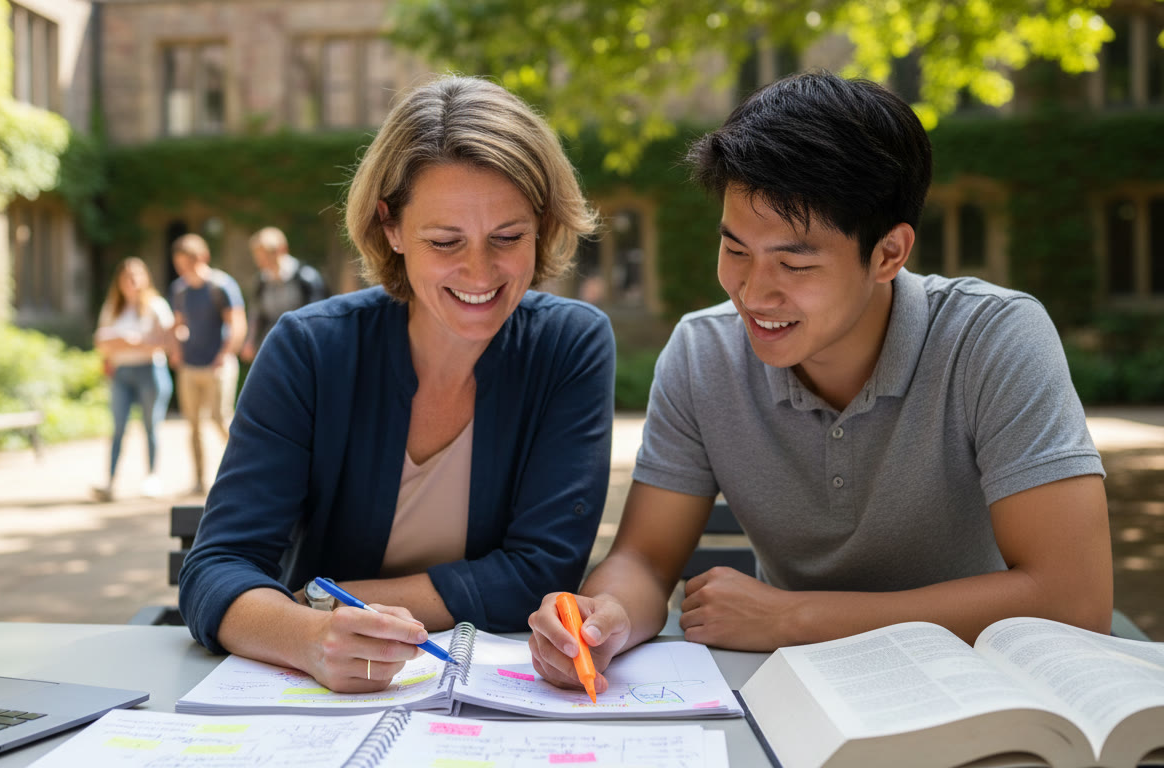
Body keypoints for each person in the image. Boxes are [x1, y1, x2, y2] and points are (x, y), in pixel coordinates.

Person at [528, 71, 1112, 695]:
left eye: (795, 262)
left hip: (984, 691)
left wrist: (795, 617)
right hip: (799, 695)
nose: (753, 293)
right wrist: (605, 618)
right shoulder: (704, 353)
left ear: (889, 253)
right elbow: (644, 558)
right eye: (735, 250)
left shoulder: (993, 339)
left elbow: (1074, 601)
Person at [178, 75, 615, 693]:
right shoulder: (311, 349)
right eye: (444, 241)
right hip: (321, 700)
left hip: (498, 701)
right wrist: (308, 638)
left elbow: (541, 568)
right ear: (390, 228)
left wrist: (328, 602)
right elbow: (215, 568)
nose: (480, 273)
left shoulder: (569, 345)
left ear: (543, 226)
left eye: (508, 238)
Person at [168, 233, 247, 495]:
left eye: (187, 263)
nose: (183, 269)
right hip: (191, 365)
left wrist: (225, 354)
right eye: (179, 264)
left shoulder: (221, 286)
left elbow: (237, 323)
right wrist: (176, 349)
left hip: (218, 365)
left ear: (202, 257)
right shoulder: (179, 290)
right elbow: (178, 324)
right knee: (192, 426)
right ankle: (200, 481)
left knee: (221, 420)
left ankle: (241, 474)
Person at [92, 258, 175, 501]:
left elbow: (166, 342)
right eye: (127, 276)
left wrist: (130, 342)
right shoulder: (113, 308)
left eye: (137, 276)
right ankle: (110, 481)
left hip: (149, 371)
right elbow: (101, 341)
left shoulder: (156, 306)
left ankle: (152, 476)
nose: (133, 282)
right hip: (121, 373)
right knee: (118, 427)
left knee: (150, 425)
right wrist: (131, 342)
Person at [239, 226, 330, 361]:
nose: (261, 261)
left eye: (265, 255)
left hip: (303, 345)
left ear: (282, 249)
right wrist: (250, 341)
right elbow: (256, 314)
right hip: (272, 345)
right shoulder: (261, 282)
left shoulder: (306, 278)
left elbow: (319, 316)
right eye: (257, 256)